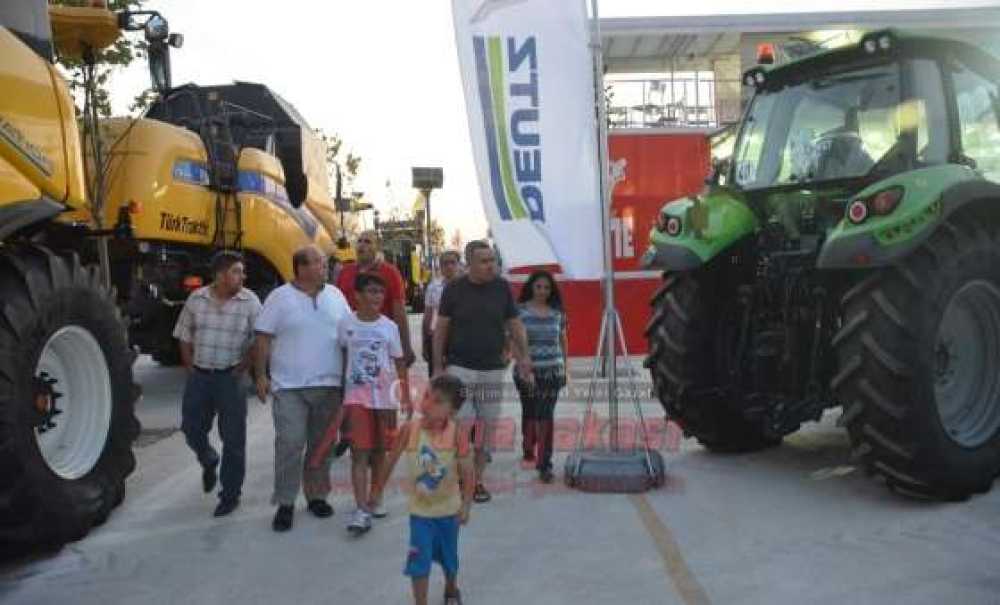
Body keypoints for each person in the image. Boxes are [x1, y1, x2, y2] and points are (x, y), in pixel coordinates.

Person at [253, 245, 351, 532]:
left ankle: (317, 496)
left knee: (322, 447)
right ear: (303, 268)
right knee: (290, 443)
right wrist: (260, 376)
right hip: (289, 387)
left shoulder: (335, 296)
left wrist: (350, 379)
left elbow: (348, 335)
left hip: (330, 386)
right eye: (320, 263)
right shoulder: (279, 298)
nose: (326, 268)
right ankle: (285, 502)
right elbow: (262, 339)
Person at [433, 240, 532, 504]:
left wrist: (524, 357)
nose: (491, 266)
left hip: (491, 370)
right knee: (463, 427)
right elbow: (441, 328)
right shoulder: (453, 289)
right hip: (459, 367)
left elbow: (515, 324)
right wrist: (437, 366)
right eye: (485, 261)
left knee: (486, 431)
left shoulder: (502, 288)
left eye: (493, 260)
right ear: (470, 264)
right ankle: (463, 478)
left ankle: (476, 481)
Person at [371, 375, 474, 605]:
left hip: (449, 513)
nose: (427, 403)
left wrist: (466, 505)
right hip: (420, 514)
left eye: (437, 401)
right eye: (427, 395)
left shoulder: (458, 434)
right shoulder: (410, 430)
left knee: (449, 559)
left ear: (452, 411)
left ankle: (451, 588)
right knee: (419, 562)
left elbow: (468, 473)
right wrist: (377, 489)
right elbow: (390, 459)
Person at [173, 250, 261, 517]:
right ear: (221, 275)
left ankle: (230, 495)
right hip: (200, 376)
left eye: (242, 271)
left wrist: (244, 368)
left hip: (231, 380)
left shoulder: (250, 302)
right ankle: (207, 457)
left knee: (234, 439)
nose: (242, 276)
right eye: (236, 271)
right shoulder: (196, 299)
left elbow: (260, 339)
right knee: (190, 427)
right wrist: (190, 368)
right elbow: (184, 335)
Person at [339, 272, 412, 534]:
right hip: (356, 399)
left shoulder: (389, 327)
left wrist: (405, 395)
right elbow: (343, 355)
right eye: (370, 292)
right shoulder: (346, 323)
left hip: (384, 399)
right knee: (359, 453)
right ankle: (360, 509)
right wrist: (341, 395)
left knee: (380, 451)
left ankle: (375, 497)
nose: (376, 297)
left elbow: (399, 363)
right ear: (356, 295)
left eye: (380, 293)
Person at [514, 271, 569, 483]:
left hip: (552, 371)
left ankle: (545, 464)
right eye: (539, 287)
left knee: (546, 416)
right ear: (531, 288)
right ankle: (529, 446)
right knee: (530, 412)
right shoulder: (520, 312)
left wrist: (566, 367)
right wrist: (522, 366)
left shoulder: (558, 312)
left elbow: (563, 339)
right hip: (527, 372)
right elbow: (514, 342)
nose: (543, 291)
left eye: (546, 288)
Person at [336, 230, 416, 368]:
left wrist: (406, 347)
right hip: (351, 342)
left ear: (377, 247)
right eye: (359, 241)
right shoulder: (345, 272)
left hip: (380, 342)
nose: (362, 245)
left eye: (367, 242)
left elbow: (399, 312)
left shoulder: (391, 272)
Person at [422, 250, 462, 378]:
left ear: (459, 265)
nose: (449, 266)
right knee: (439, 379)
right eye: (445, 263)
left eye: (452, 263)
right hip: (438, 337)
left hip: (461, 338)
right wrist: (425, 343)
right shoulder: (433, 287)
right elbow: (427, 316)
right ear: (440, 267)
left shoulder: (467, 287)